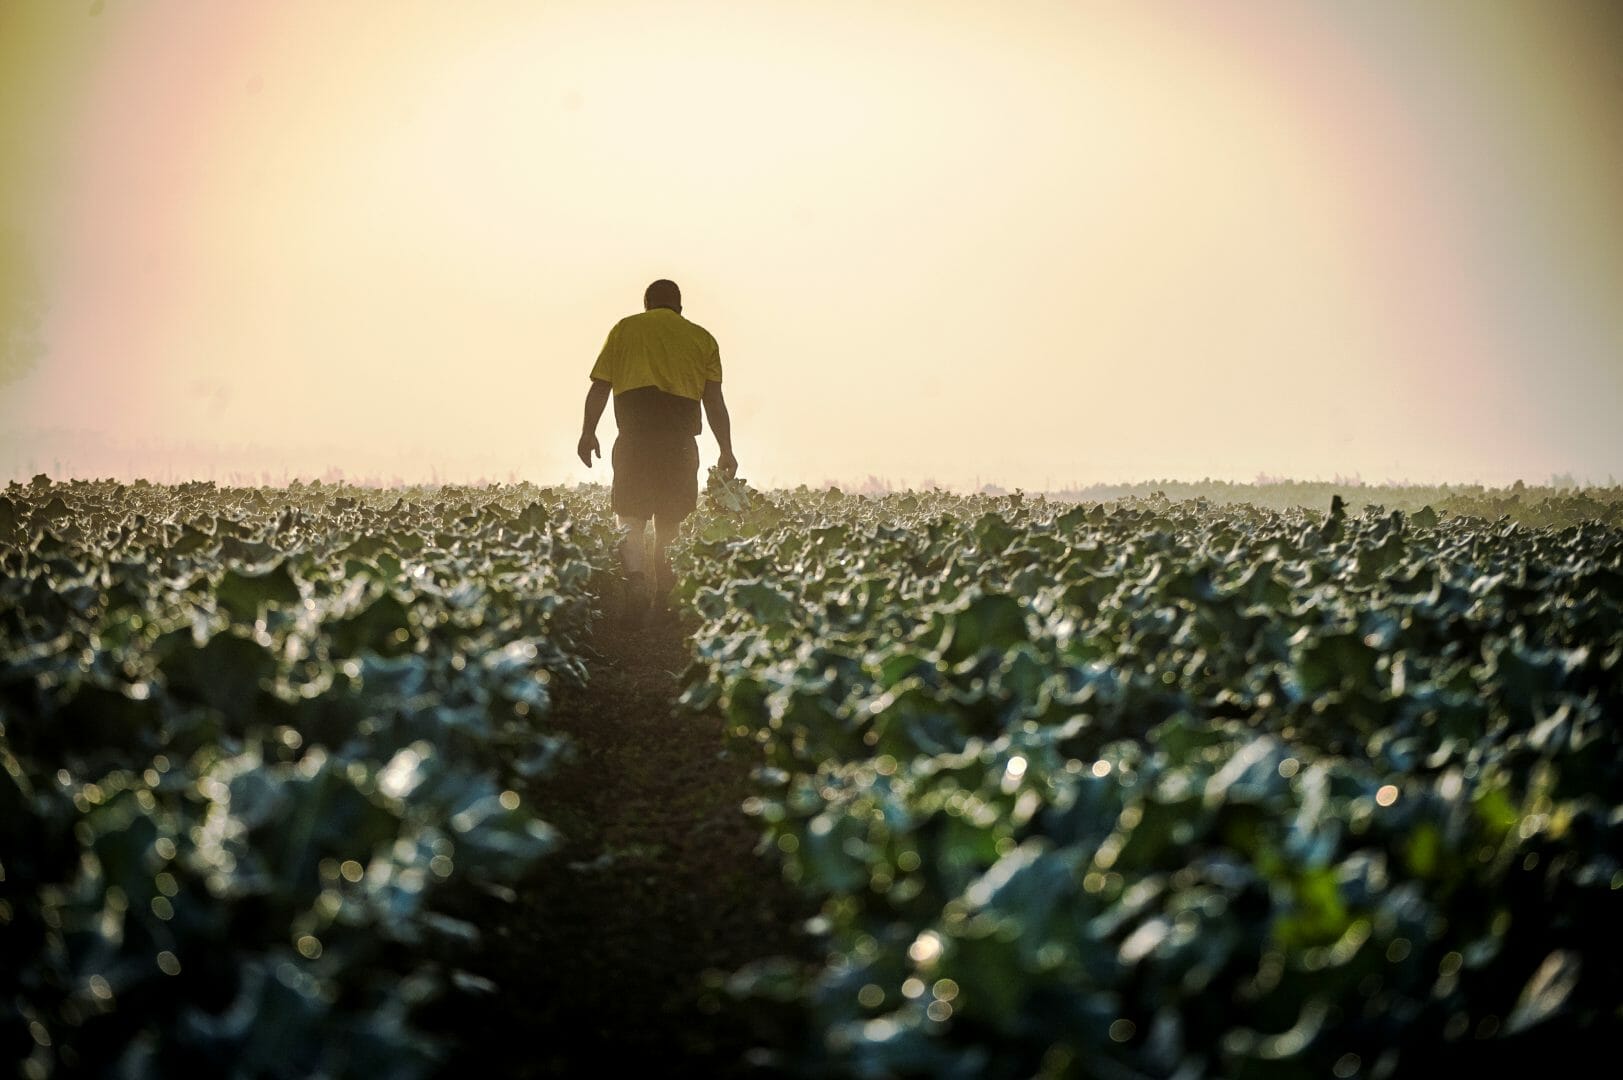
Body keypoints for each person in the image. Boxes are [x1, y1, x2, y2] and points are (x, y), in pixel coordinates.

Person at [577, 279, 737, 611]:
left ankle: (636, 580)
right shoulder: (702, 338)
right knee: (669, 520)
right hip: (678, 442)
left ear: (646, 304)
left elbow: (599, 388)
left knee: (630, 515)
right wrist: (726, 449)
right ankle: (665, 591)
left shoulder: (624, 330)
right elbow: (714, 401)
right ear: (679, 307)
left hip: (635, 437)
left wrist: (588, 432)